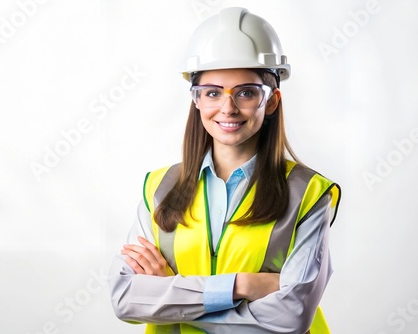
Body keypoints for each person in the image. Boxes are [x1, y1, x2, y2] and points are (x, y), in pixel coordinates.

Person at [108, 7, 341, 334]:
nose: (227, 108)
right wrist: (243, 285)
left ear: (271, 101)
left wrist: (172, 295)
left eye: (246, 92)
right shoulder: (159, 188)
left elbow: (293, 316)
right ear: (196, 100)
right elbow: (125, 299)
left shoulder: (309, 193)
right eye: (213, 92)